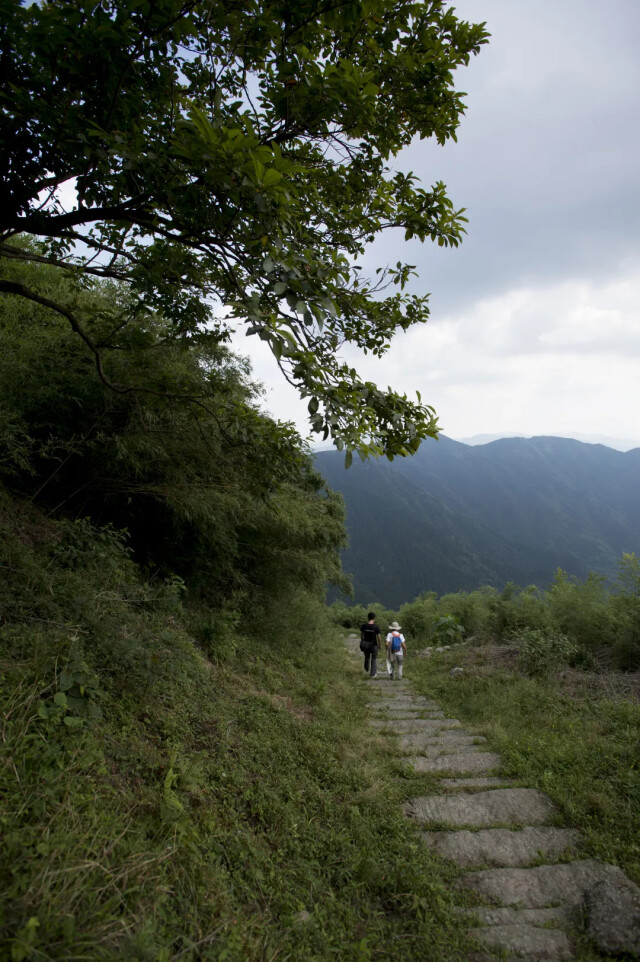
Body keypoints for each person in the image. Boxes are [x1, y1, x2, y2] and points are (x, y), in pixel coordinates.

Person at [360, 611, 382, 678]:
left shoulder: (364, 626)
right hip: (374, 645)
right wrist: (380, 645)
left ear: (368, 618)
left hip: (366, 644)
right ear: (374, 618)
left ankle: (366, 669)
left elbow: (362, 635)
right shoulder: (376, 627)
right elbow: (379, 638)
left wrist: (362, 641)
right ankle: (372, 674)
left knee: (367, 657)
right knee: (374, 659)